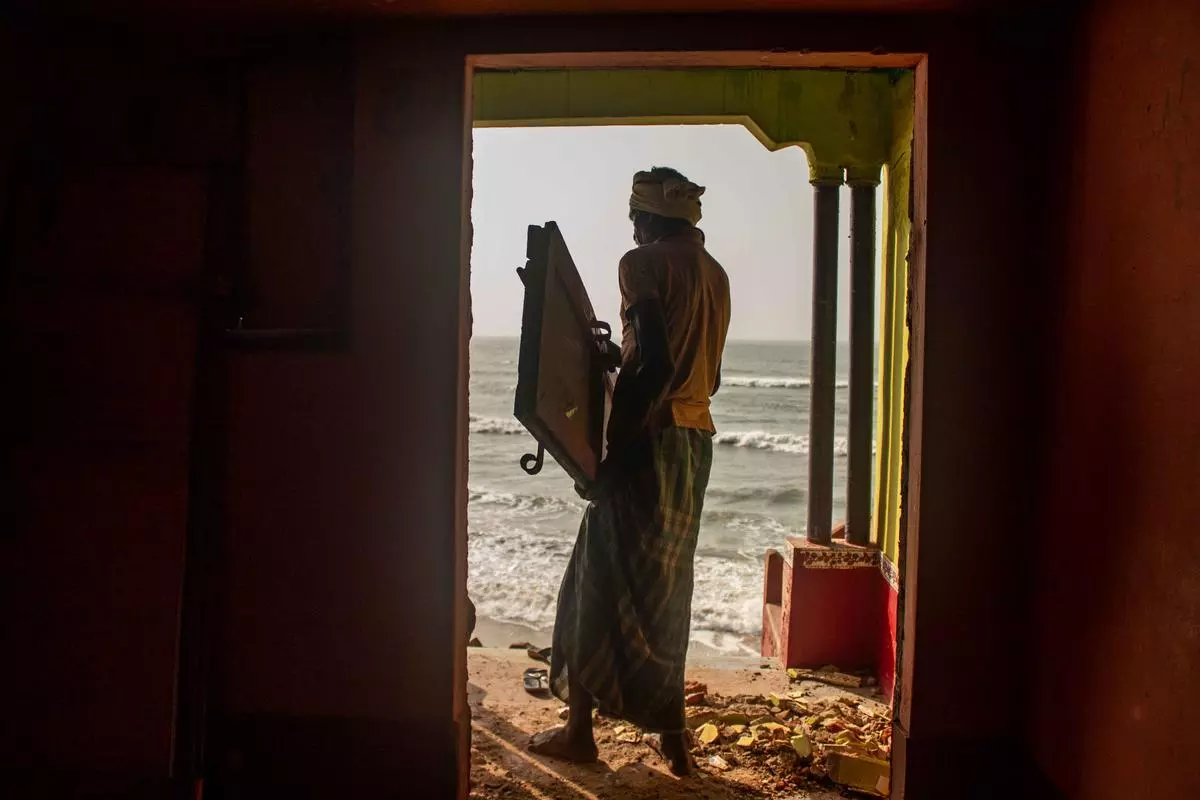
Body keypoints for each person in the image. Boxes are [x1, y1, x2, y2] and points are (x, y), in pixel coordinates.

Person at [529, 167, 731, 776]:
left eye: (633, 218)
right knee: (665, 593)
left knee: (595, 579)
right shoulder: (715, 274)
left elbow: (657, 361)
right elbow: (695, 367)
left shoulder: (640, 264)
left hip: (649, 443)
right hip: (693, 446)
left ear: (646, 219)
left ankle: (580, 732)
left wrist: (613, 455)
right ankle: (673, 741)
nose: (632, 228)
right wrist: (622, 356)